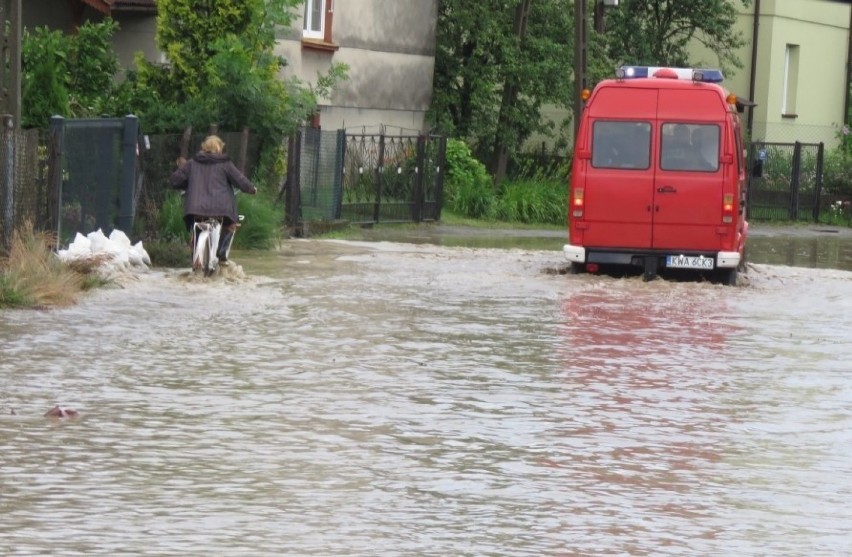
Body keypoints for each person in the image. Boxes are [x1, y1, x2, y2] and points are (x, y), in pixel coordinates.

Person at [169, 135, 257, 264]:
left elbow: (175, 180)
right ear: (219, 148)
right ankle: (221, 254)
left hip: (196, 209)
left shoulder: (192, 163)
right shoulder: (225, 163)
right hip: (221, 209)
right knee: (231, 224)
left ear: (204, 147)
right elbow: (240, 180)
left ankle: (196, 255)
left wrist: (186, 184)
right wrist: (251, 189)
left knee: (196, 225)